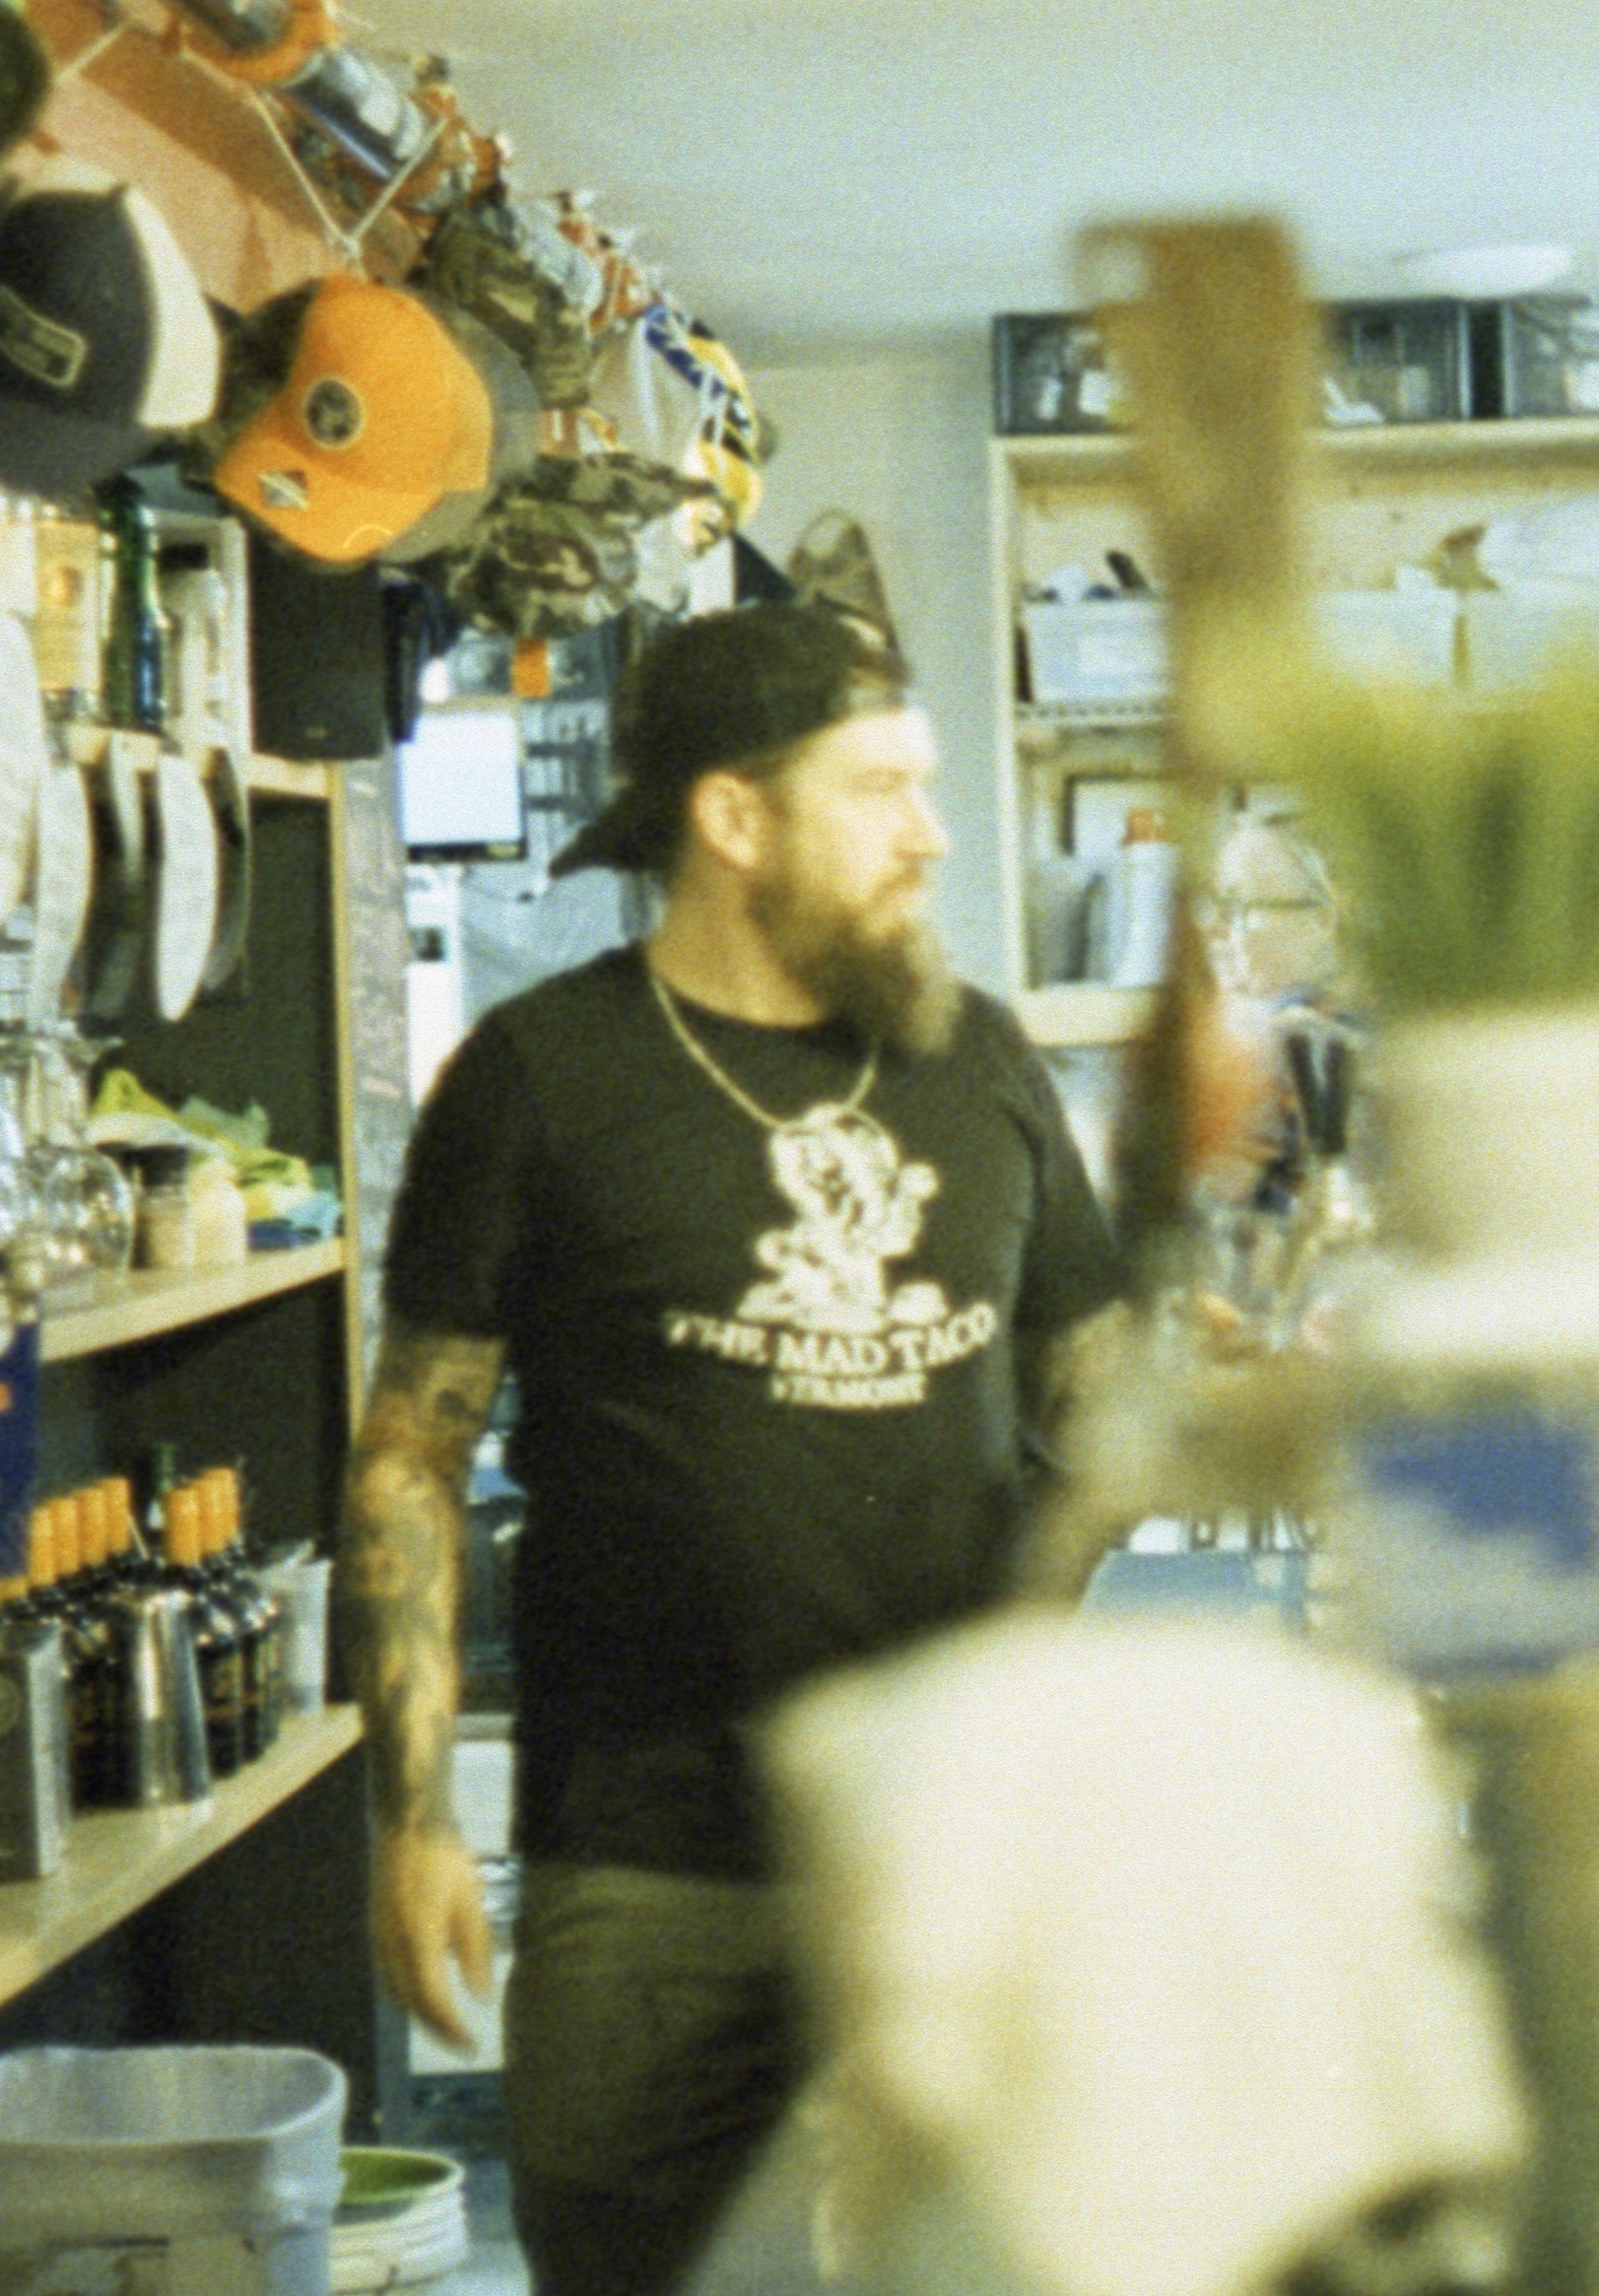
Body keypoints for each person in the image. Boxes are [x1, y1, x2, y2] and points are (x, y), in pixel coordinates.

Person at [345, 603, 1131, 2296]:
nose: (931, 830)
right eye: (880, 789)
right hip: (646, 1868)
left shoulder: (977, 1060)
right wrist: (408, 1814)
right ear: (733, 818)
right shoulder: (540, 1080)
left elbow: (1098, 1402)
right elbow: (413, 1450)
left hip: (949, 1855)